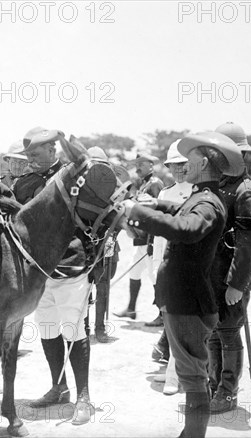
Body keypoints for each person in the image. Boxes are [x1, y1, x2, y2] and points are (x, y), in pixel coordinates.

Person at [121, 131, 244, 438]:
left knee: (192, 379)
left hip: (189, 304)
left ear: (202, 163)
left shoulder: (208, 203)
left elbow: (186, 228)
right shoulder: (201, 197)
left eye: (188, 160)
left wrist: (136, 213)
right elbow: (176, 211)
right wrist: (153, 204)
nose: (182, 164)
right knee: (192, 376)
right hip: (184, 301)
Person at [13, 127, 93, 425]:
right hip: (36, 270)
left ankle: (84, 395)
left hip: (71, 263)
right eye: (28, 155)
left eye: (36, 153)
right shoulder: (23, 184)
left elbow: (91, 213)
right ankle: (58, 388)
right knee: (47, 327)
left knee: (74, 329)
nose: (31, 160)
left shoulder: (76, 175)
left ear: (52, 150)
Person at [207, 122, 251, 413]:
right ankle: (213, 386)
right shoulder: (219, 186)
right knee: (214, 332)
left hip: (230, 277)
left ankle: (228, 392)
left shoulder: (245, 191)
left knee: (229, 333)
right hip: (211, 274)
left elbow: (249, 244)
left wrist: (236, 284)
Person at [151, 140, 192, 395]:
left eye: (184, 164)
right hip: (167, 265)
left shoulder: (200, 192)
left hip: (189, 265)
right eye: (174, 165)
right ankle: (172, 372)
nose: (179, 170)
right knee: (170, 320)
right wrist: (156, 270)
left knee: (184, 323)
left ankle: (176, 377)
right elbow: (158, 238)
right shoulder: (164, 193)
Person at [114, 152, 164, 325]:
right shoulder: (144, 184)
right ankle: (131, 309)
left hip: (151, 240)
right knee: (134, 271)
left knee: (155, 276)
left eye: (141, 163)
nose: (138, 167)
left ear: (151, 165)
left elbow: (157, 214)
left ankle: (163, 315)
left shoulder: (155, 184)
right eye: (137, 164)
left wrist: (152, 242)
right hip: (140, 239)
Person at [86, 146, 125, 344]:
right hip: (84, 243)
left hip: (106, 242)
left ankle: (100, 327)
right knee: (82, 288)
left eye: (100, 165)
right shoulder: (81, 185)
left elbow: (121, 214)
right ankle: (83, 326)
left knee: (103, 287)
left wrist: (112, 234)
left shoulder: (116, 186)